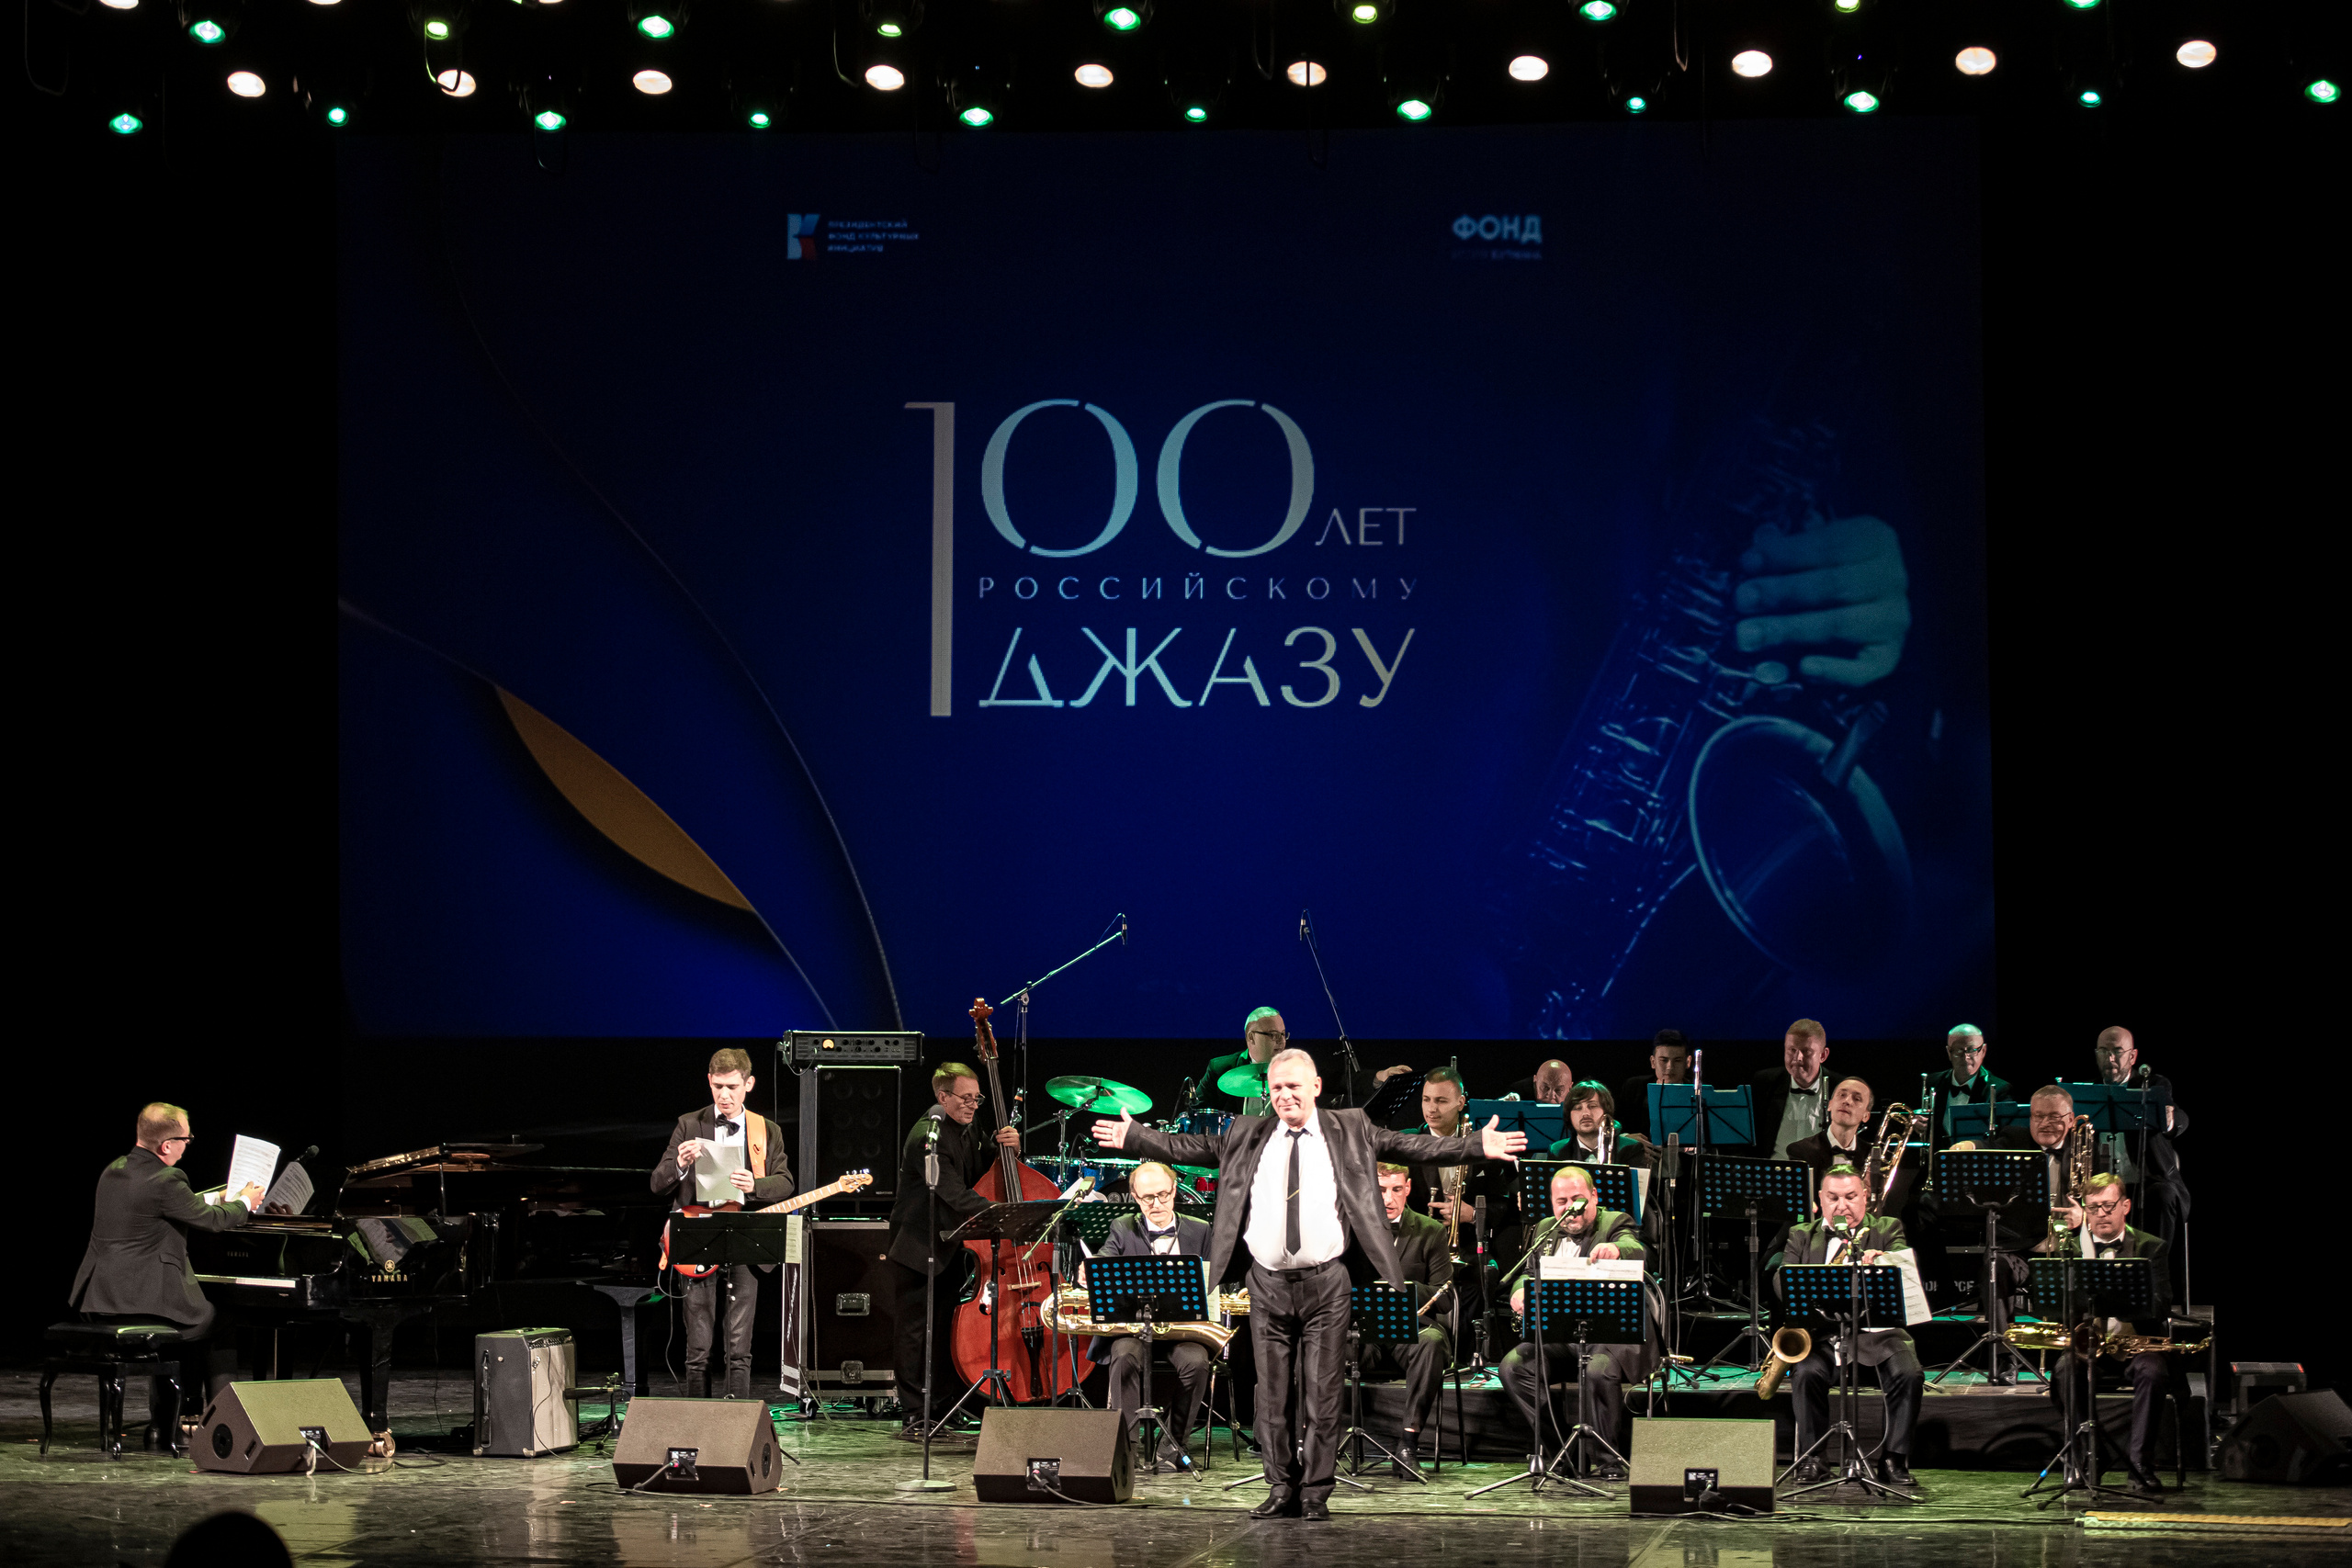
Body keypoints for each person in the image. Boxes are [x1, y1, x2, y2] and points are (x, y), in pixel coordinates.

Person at [1091, 1047, 1527, 1520]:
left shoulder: (1349, 1128)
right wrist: (1136, 1136)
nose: (1284, 1096)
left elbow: (1410, 1147)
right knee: (1272, 1395)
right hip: (1267, 1283)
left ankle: (1316, 1492)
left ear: (1316, 1087)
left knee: (1323, 1394)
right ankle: (1280, 1487)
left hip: (1328, 1284)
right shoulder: (1246, 1133)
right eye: (1276, 1088)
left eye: (1293, 1086)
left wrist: (1474, 1146)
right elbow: (1186, 1148)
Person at [70, 1102, 264, 1441]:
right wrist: (245, 1201)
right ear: (167, 1145)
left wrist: (222, 1196)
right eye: (186, 1139)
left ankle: (163, 1424)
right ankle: (225, 1429)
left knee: (182, 1329)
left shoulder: (114, 1170)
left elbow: (175, 1203)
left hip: (100, 1299)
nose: (188, 1145)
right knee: (222, 1321)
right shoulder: (168, 1178)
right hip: (142, 1301)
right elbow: (213, 1222)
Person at [884, 1062, 1021, 1438]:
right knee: (914, 1334)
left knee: (945, 1331)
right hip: (917, 1249)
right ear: (942, 1097)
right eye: (965, 1098)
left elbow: (977, 1173)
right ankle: (915, 1414)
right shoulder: (926, 1138)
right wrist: (1005, 1214)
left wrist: (1004, 1149)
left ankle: (944, 1408)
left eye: (977, 1098)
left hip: (949, 1248)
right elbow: (955, 1195)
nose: (973, 1105)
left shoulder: (966, 1128)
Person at [651, 1048, 795, 1400]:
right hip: (697, 1237)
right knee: (698, 1350)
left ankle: (738, 1427)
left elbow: (786, 1183)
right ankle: (698, 1423)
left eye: (732, 1086)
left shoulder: (766, 1129)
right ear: (709, 1082)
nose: (724, 1095)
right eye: (718, 1086)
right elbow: (657, 1183)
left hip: (744, 1241)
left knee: (739, 1349)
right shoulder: (690, 1123)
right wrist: (681, 1165)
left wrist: (755, 1186)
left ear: (749, 1083)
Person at [1775, 1165, 1924, 1489]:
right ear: (1820, 1200)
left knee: (1908, 1373)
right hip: (1822, 1336)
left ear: (1866, 1197)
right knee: (1805, 1373)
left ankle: (1893, 1459)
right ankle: (1814, 1458)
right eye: (1833, 1198)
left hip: (1878, 1335)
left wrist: (1884, 1259)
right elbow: (1781, 1280)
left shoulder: (1887, 1227)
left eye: (1851, 1197)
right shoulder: (1802, 1234)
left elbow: (1904, 1263)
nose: (1842, 1206)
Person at [1498, 1165, 1650, 1475]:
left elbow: (1638, 1248)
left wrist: (1616, 1249)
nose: (1571, 1208)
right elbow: (1528, 1275)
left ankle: (1609, 1460)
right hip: (1563, 1338)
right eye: (1562, 1202)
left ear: (1594, 1196)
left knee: (1596, 1371)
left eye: (1578, 1199)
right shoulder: (1544, 1230)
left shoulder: (1614, 1221)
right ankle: (1564, 1453)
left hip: (1610, 1339)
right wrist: (1518, 1292)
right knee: (1513, 1368)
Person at [2047, 1172, 2177, 1497]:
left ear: (2125, 1206)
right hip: (2092, 1348)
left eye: (2108, 1206)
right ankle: (2088, 1457)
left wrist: (2121, 1298)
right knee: (2064, 1371)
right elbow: (2056, 1310)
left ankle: (2140, 1465)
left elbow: (2161, 1307)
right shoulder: (2071, 1251)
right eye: (2093, 1208)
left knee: (2152, 1371)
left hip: (2138, 1345)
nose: (2101, 1214)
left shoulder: (2151, 1247)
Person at [1088, 1161, 1214, 1472]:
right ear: (1134, 1196)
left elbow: (1213, 1281)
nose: (1156, 1204)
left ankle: (1172, 1446)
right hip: (1133, 1329)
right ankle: (1124, 1449)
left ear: (1175, 1191)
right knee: (1124, 1356)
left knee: (1197, 1363)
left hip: (1182, 1331)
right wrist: (1089, 1272)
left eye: (1163, 1195)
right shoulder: (1122, 1226)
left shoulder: (1201, 1229)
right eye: (1147, 1198)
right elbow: (1105, 1262)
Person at [1362, 1162, 1453, 1475]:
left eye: (1396, 1190)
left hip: (1410, 1330)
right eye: (1381, 1190)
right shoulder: (1351, 1226)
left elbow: (1444, 1298)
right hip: (1362, 1329)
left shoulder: (1430, 1231)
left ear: (1408, 1189)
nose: (1388, 1199)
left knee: (1432, 1342)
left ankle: (1407, 1445)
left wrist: (1402, 1289)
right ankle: (1314, 1442)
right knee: (1317, 1339)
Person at [2087, 1027, 2189, 1258]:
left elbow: (2179, 1117)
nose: (2110, 1058)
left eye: (2117, 1051)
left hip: (2146, 1182)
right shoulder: (2088, 1092)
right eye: (2103, 1051)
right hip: (2102, 1186)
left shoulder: (2151, 1084)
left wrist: (2171, 1120)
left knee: (2163, 1196)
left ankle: (2155, 1272)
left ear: (2132, 1056)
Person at [1196, 1008, 1411, 1115]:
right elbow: (1198, 1113)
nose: (1281, 1041)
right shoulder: (1220, 1068)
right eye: (1273, 1035)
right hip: (1235, 1155)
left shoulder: (1296, 1067)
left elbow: (1340, 1080)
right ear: (1251, 1037)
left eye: (1283, 1034)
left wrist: (1380, 1077)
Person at [1750, 1019, 1832, 1159]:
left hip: (1821, 1177)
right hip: (1774, 1175)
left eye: (1806, 1051)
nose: (1798, 1058)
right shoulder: (1765, 1083)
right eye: (1792, 1050)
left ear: (1823, 1055)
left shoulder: (1839, 1087)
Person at [1786, 1077, 1876, 1197]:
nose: (1847, 1101)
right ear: (1830, 1105)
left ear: (1866, 1115)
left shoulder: (1872, 1155)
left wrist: (1873, 1193)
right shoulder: (1801, 1151)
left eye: (1857, 1099)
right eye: (1842, 1095)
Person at [1923, 1024, 2009, 1146]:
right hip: (1939, 1162)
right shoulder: (1932, 1083)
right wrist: (1916, 1123)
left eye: (1971, 1050)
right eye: (1958, 1051)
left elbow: (2005, 1138)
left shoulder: (2000, 1089)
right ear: (1949, 1052)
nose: (1965, 1057)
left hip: (1976, 1162)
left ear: (1983, 1051)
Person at [1547, 1081, 1656, 1171]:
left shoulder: (1630, 1149)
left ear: (1606, 1111)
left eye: (1593, 1106)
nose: (1586, 1113)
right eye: (1578, 1108)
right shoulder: (1557, 1151)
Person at [1615, 1031, 1690, 1143]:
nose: (1670, 1067)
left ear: (1688, 1062)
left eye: (1677, 1060)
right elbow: (1614, 1126)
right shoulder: (1633, 1088)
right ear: (1653, 1062)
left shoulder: (1699, 1093)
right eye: (1664, 1060)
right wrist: (1626, 1138)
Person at [1502, 1059, 1576, 1105]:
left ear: (1570, 1087)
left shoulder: (1578, 1100)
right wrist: (1503, 1105)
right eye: (1545, 1088)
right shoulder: (1518, 1090)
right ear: (1535, 1080)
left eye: (1558, 1090)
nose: (1551, 1096)